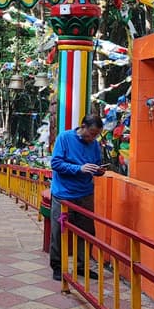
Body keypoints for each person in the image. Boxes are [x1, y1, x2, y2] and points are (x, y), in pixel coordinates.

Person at [49, 113, 106, 281]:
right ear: (82, 127)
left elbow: (95, 164)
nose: (92, 138)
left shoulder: (94, 145)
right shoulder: (64, 138)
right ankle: (57, 266)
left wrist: (98, 170)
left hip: (85, 194)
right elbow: (56, 163)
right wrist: (78, 169)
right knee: (59, 232)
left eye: (96, 135)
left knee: (86, 232)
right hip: (63, 194)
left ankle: (82, 266)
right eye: (91, 133)